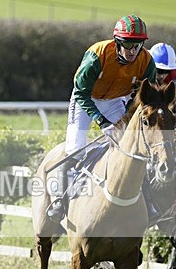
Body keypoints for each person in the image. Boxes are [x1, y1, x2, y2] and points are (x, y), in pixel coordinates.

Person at [46, 14, 156, 220]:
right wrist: (102, 121)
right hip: (85, 98)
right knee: (75, 147)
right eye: (128, 44)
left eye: (138, 45)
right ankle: (59, 200)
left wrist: (126, 118)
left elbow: (142, 98)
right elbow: (81, 94)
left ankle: (148, 201)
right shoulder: (97, 55)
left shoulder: (147, 62)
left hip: (114, 100)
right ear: (117, 42)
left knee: (131, 147)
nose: (133, 51)